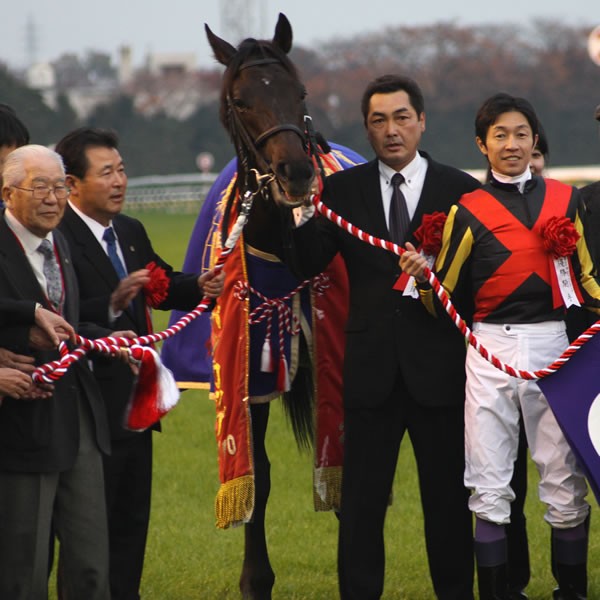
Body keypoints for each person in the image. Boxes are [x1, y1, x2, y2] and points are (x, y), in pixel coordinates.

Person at [287, 74, 480, 599]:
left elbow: (479, 285)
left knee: (447, 504)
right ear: (367, 130)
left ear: (421, 121)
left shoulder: (461, 191)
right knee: (362, 508)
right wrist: (299, 204)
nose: (391, 130)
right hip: (370, 375)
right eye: (378, 121)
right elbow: (305, 262)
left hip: (439, 374)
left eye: (401, 118)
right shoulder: (342, 192)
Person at [401, 92, 600, 600]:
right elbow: (443, 296)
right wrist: (422, 281)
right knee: (489, 482)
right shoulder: (466, 210)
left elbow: (587, 281)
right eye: (500, 136)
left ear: (535, 140)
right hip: (489, 350)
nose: (511, 145)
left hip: (556, 350)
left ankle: (570, 592)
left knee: (563, 477)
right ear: (482, 145)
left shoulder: (566, 200)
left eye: (520, 135)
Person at [55, 127, 224, 600]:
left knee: (130, 526)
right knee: (88, 538)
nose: (119, 181)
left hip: (136, 406)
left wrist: (202, 284)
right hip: (85, 410)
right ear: (71, 185)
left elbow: (160, 283)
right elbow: (58, 311)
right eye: (106, 172)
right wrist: (109, 312)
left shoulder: (128, 231)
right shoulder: (59, 237)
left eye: (122, 169)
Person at [0, 144, 111, 599]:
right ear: (7, 193)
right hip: (20, 428)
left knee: (90, 564)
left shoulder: (60, 241)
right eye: (39, 186)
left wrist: (103, 339)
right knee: (23, 569)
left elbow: (64, 321)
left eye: (60, 186)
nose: (53, 198)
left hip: (78, 415)